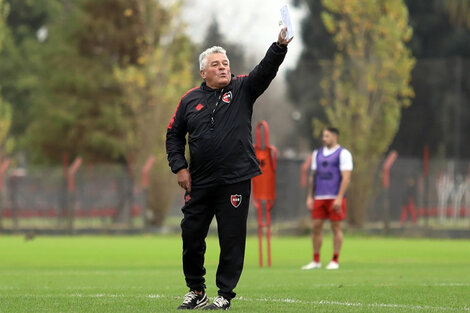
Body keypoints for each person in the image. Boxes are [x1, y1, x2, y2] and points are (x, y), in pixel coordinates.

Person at [166, 27, 292, 310]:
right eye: (216, 64)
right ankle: (196, 290)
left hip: (234, 180)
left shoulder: (242, 88)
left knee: (232, 238)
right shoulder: (189, 100)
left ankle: (225, 295)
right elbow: (173, 135)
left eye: (225, 63)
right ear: (203, 73)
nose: (223, 68)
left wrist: (279, 46)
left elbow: (265, 70)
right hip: (199, 181)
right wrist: (179, 167)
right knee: (191, 234)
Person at [301, 127, 353, 270]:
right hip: (319, 197)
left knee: (336, 228)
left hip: (335, 197)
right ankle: (316, 260)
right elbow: (313, 177)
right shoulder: (317, 154)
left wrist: (339, 197)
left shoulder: (343, 154)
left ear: (335, 137)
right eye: (323, 136)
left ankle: (335, 260)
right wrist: (310, 196)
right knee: (316, 226)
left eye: (327, 136)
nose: (324, 138)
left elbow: (346, 177)